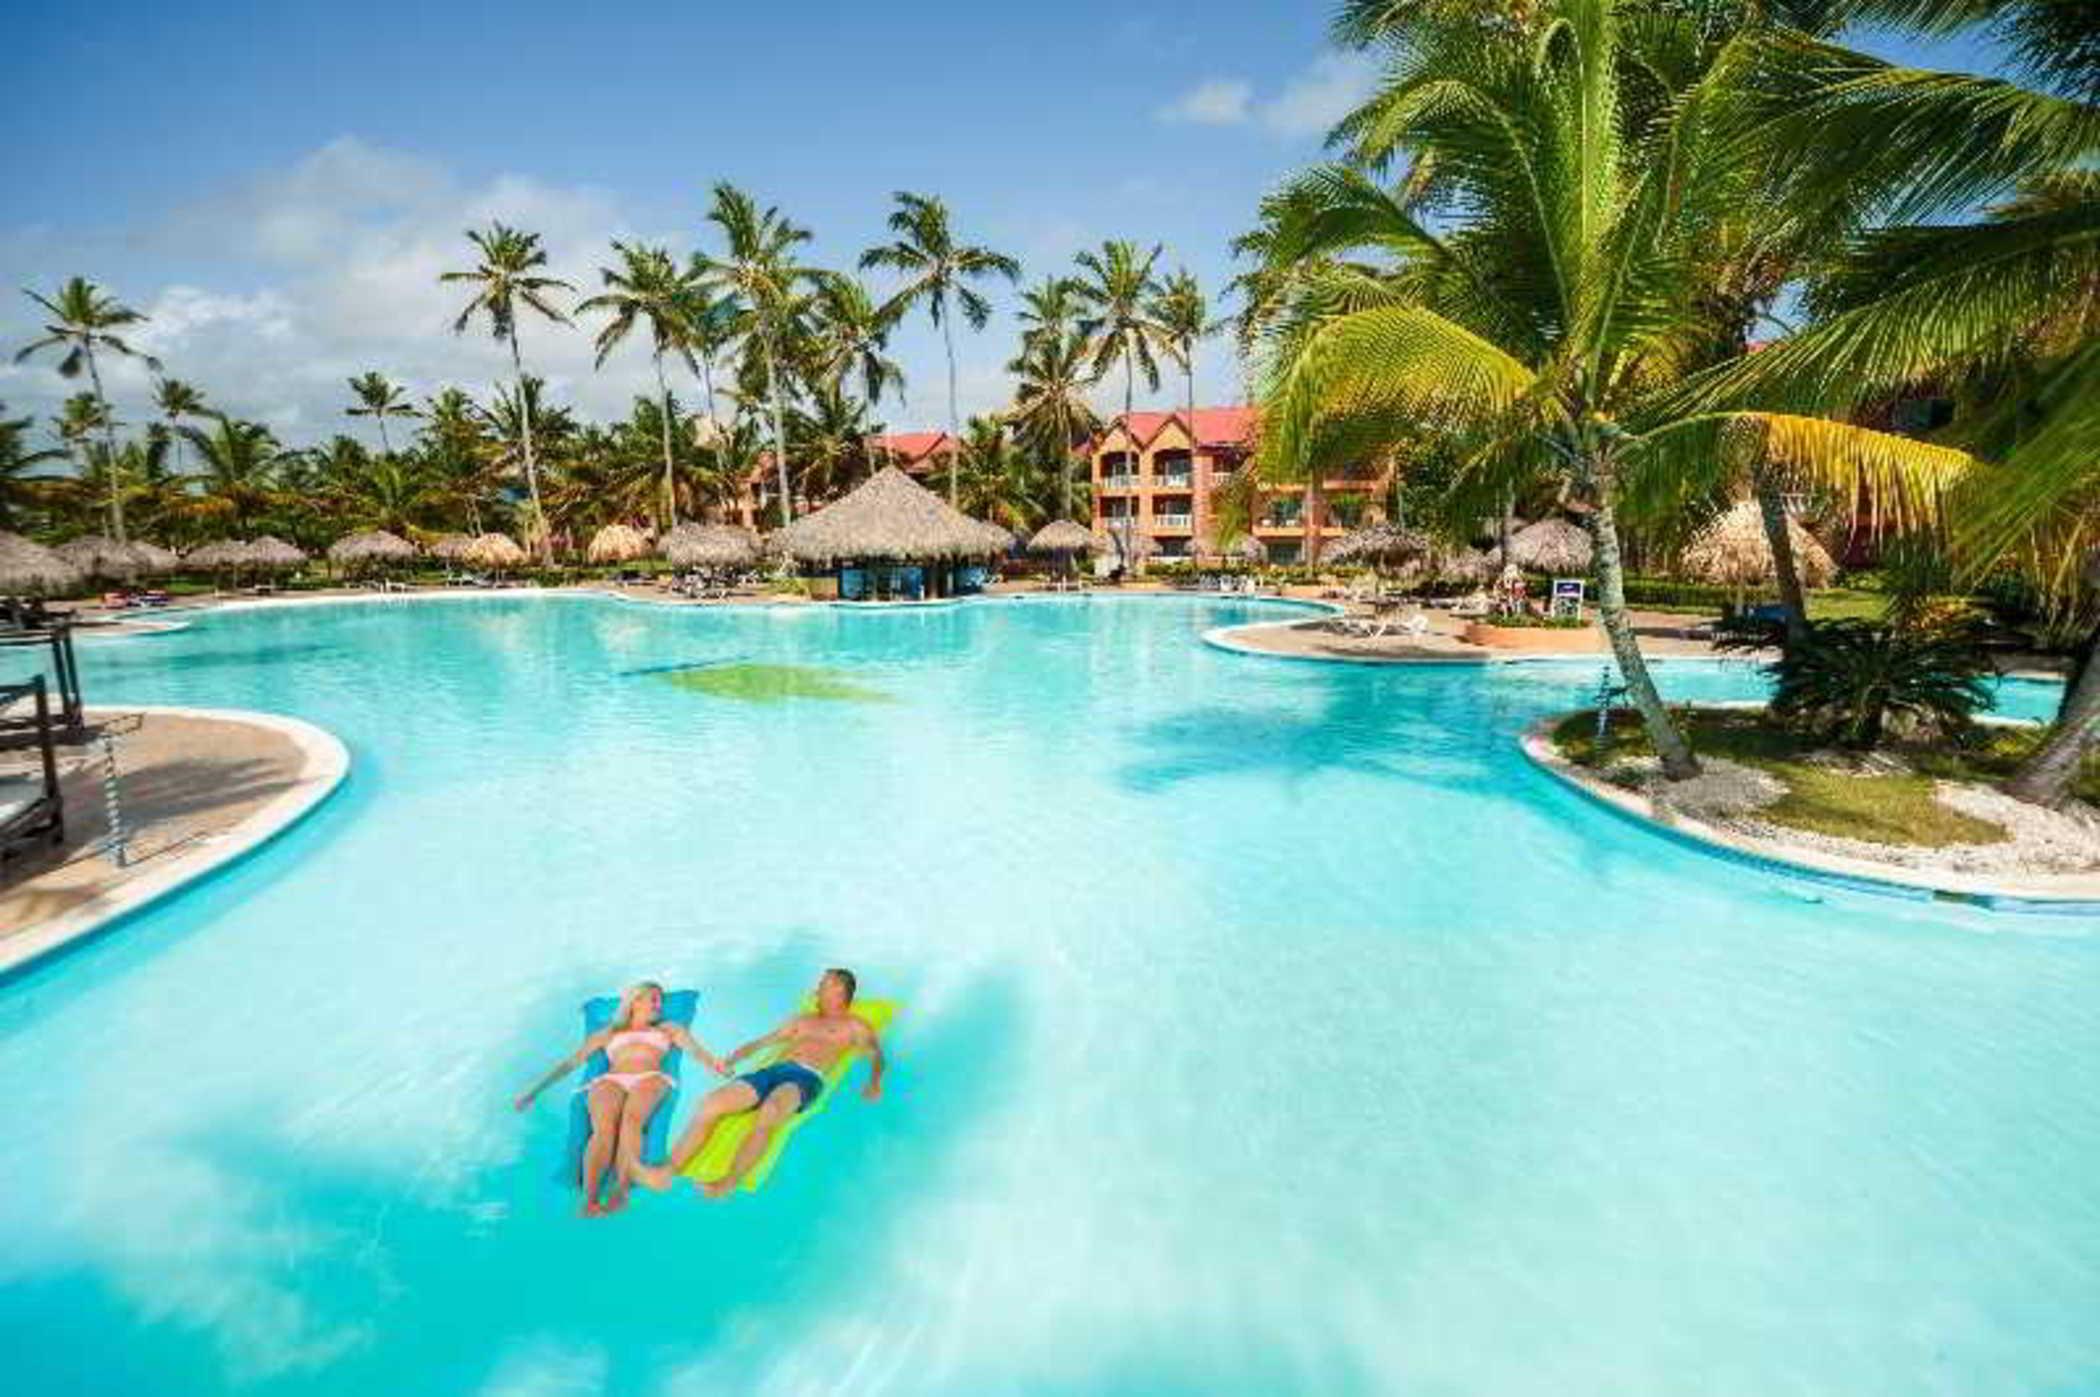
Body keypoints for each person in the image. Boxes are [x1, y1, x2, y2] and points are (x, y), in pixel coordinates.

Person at [638, 968, 885, 1199]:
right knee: (710, 1104)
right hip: (772, 1071)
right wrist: (732, 1058)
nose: (817, 988)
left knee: (771, 1111)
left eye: (824, 984)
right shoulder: (802, 1019)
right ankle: (667, 1171)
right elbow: (763, 1043)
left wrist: (874, 1082)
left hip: (806, 1077)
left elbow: (876, 1054)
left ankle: (728, 1181)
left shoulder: (854, 1026)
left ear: (840, 991)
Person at [514, 981, 728, 1217]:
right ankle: (591, 1199)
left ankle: (622, 1191)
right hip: (611, 1080)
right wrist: (534, 1091)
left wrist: (714, 1064)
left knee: (632, 1122)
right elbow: (570, 1063)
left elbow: (696, 1051)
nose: (659, 1004)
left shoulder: (669, 1028)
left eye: (661, 1000)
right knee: (602, 1131)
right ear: (635, 1001)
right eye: (653, 998)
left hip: (650, 1077)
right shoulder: (609, 1033)